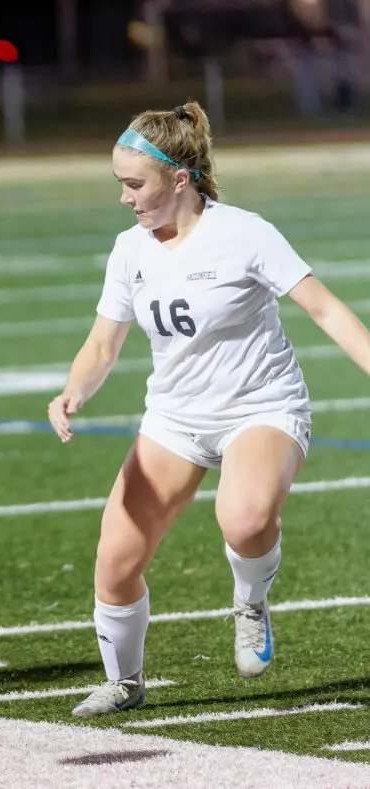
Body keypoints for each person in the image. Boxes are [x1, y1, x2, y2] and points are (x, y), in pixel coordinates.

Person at [47, 100, 370, 718]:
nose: (124, 198)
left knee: (244, 519)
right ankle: (125, 681)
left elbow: (325, 309)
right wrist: (73, 391)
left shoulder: (244, 233)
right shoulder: (130, 250)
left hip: (261, 405)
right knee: (115, 563)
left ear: (179, 179)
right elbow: (102, 342)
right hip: (175, 418)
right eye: (119, 183)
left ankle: (250, 604)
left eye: (133, 184)